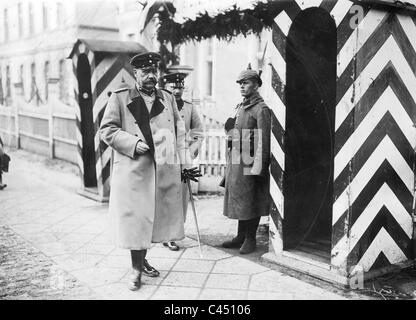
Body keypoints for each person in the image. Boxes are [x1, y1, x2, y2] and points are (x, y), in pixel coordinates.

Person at [100, 51, 194, 291]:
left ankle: (143, 261)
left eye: (154, 71)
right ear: (136, 74)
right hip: (134, 171)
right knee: (136, 220)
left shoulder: (167, 98)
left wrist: (186, 164)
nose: (151, 76)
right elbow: (107, 130)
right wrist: (132, 143)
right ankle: (136, 270)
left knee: (152, 222)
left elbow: (180, 132)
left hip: (162, 169)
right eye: (146, 72)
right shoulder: (120, 98)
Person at [222, 64, 271, 254]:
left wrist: (259, 167)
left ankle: (251, 239)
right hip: (236, 161)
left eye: (246, 82)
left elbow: (264, 141)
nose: (242, 86)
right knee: (241, 200)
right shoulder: (241, 106)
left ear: (256, 85)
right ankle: (240, 236)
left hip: (251, 162)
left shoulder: (261, 109)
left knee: (251, 201)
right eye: (240, 83)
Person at [160, 71, 204, 251]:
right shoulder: (159, 105)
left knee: (181, 197)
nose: (177, 91)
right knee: (166, 195)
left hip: (183, 158)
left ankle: (173, 234)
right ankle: (163, 232)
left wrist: (190, 153)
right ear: (165, 88)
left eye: (180, 87)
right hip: (164, 157)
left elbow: (198, 132)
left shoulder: (188, 107)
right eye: (173, 87)